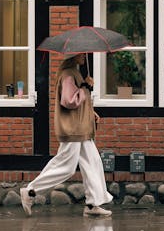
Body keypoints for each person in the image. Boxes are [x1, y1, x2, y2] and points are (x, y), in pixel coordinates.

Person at [20, 53, 113, 217]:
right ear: (73, 56)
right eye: (81, 54)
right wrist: (86, 86)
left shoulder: (73, 72)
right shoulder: (68, 74)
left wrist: (90, 111)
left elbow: (79, 101)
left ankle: (92, 205)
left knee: (93, 162)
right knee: (66, 166)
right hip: (73, 129)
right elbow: (69, 101)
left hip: (81, 128)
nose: (84, 56)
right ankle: (30, 191)